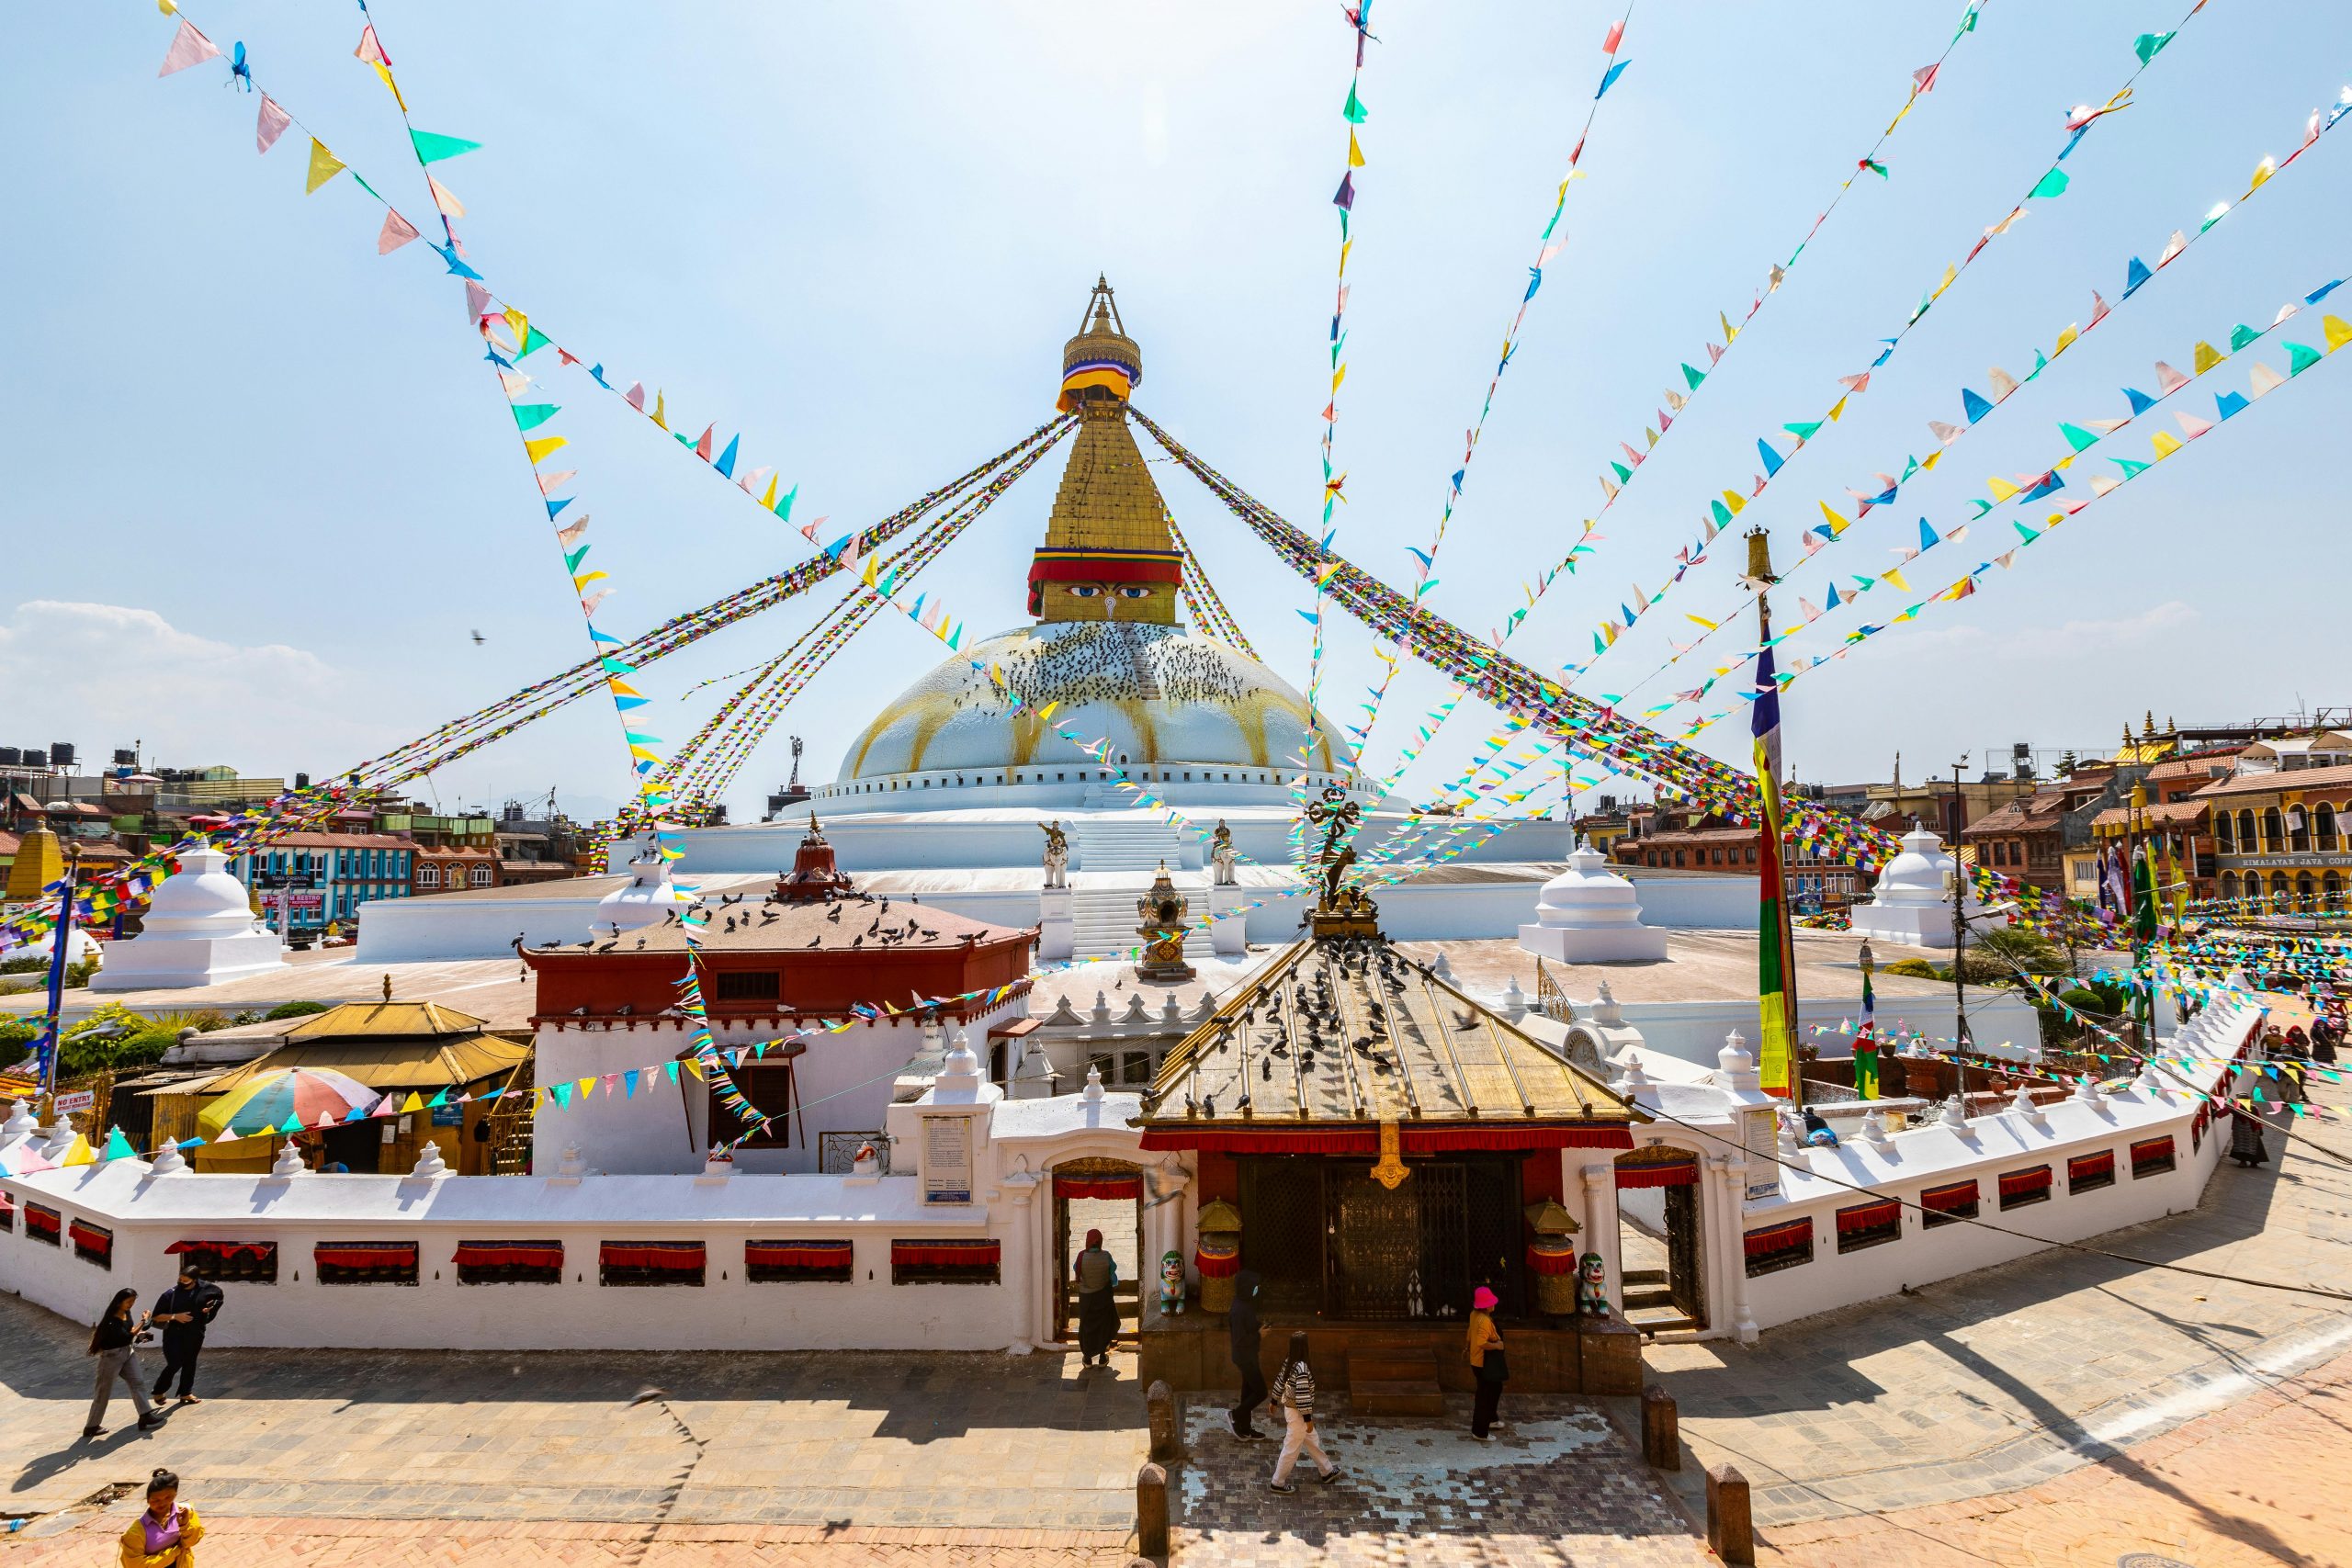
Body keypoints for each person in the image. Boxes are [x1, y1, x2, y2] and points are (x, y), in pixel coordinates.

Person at [1266, 1331, 1340, 1492]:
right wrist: (1308, 1419)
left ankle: (1326, 1471)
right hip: (1299, 1414)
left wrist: (1274, 1400)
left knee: (1312, 1440)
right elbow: (1303, 1394)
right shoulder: (1302, 1367)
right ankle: (1277, 1482)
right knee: (1291, 1448)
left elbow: (1280, 1380)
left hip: (1291, 1410)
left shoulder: (1289, 1362)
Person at [85, 1289, 163, 1438]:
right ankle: (91, 1426)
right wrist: (144, 1320)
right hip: (112, 1357)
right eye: (128, 1302)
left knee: (137, 1382)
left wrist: (140, 1332)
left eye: (133, 1302)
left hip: (127, 1352)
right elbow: (128, 1335)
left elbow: (130, 1332)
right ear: (119, 1301)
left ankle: (145, 1415)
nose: (130, 1305)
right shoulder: (112, 1320)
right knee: (103, 1392)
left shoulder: (126, 1313)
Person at [150, 1261, 225, 1404]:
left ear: (195, 1280)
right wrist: (175, 1316)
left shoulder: (207, 1289)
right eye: (180, 1280)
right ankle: (159, 1390)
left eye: (186, 1280)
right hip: (174, 1333)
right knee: (175, 1362)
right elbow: (156, 1316)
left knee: (190, 1362)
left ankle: (186, 1393)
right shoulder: (170, 1295)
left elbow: (218, 1298)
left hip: (195, 1332)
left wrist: (210, 1308)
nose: (182, 1282)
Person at [119, 1467, 201, 1567]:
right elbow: (135, 1564)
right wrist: (175, 1552)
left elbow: (192, 1541)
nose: (162, 1503)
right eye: (156, 1500)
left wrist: (185, 1525)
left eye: (168, 1497)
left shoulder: (185, 1512)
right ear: (148, 1500)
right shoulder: (136, 1532)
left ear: (175, 1494)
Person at [1227, 1268, 1270, 1441]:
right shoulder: (1238, 1310)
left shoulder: (1245, 1304)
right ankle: (1235, 1415)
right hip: (1245, 1358)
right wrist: (1259, 1335)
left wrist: (1260, 1326)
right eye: (1254, 1286)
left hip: (1250, 1355)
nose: (1256, 1289)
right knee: (1261, 1392)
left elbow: (1248, 1326)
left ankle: (1245, 1428)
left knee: (1248, 1392)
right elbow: (1239, 1339)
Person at [1072, 1227, 1119, 1368]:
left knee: (1087, 1327)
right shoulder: (1106, 1256)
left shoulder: (1081, 1257)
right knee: (1103, 1326)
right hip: (1103, 1297)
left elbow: (1076, 1269)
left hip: (1086, 1299)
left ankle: (1087, 1358)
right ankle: (1103, 1357)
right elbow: (1113, 1273)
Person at [1466, 1284, 1507, 1440]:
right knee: (1486, 1394)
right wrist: (1497, 1344)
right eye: (1491, 1302)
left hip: (1477, 1361)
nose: (1494, 1304)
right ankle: (1480, 1431)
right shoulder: (1483, 1320)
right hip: (1484, 1361)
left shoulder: (1474, 1315)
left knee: (1493, 1389)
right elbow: (1482, 1343)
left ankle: (1491, 1418)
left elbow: (1470, 1333)